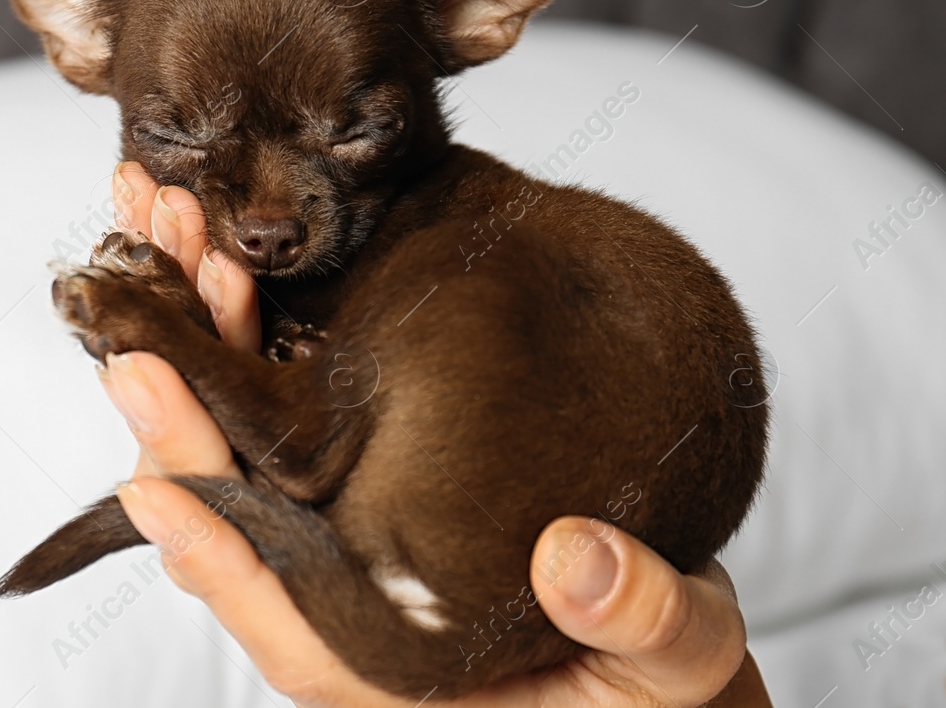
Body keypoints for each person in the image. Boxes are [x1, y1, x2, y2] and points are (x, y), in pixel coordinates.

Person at [98, 162, 773, 707]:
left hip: (471, 545)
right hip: (435, 561)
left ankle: (291, 428)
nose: (268, 215)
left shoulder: (481, 248)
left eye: (353, 131)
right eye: (180, 135)